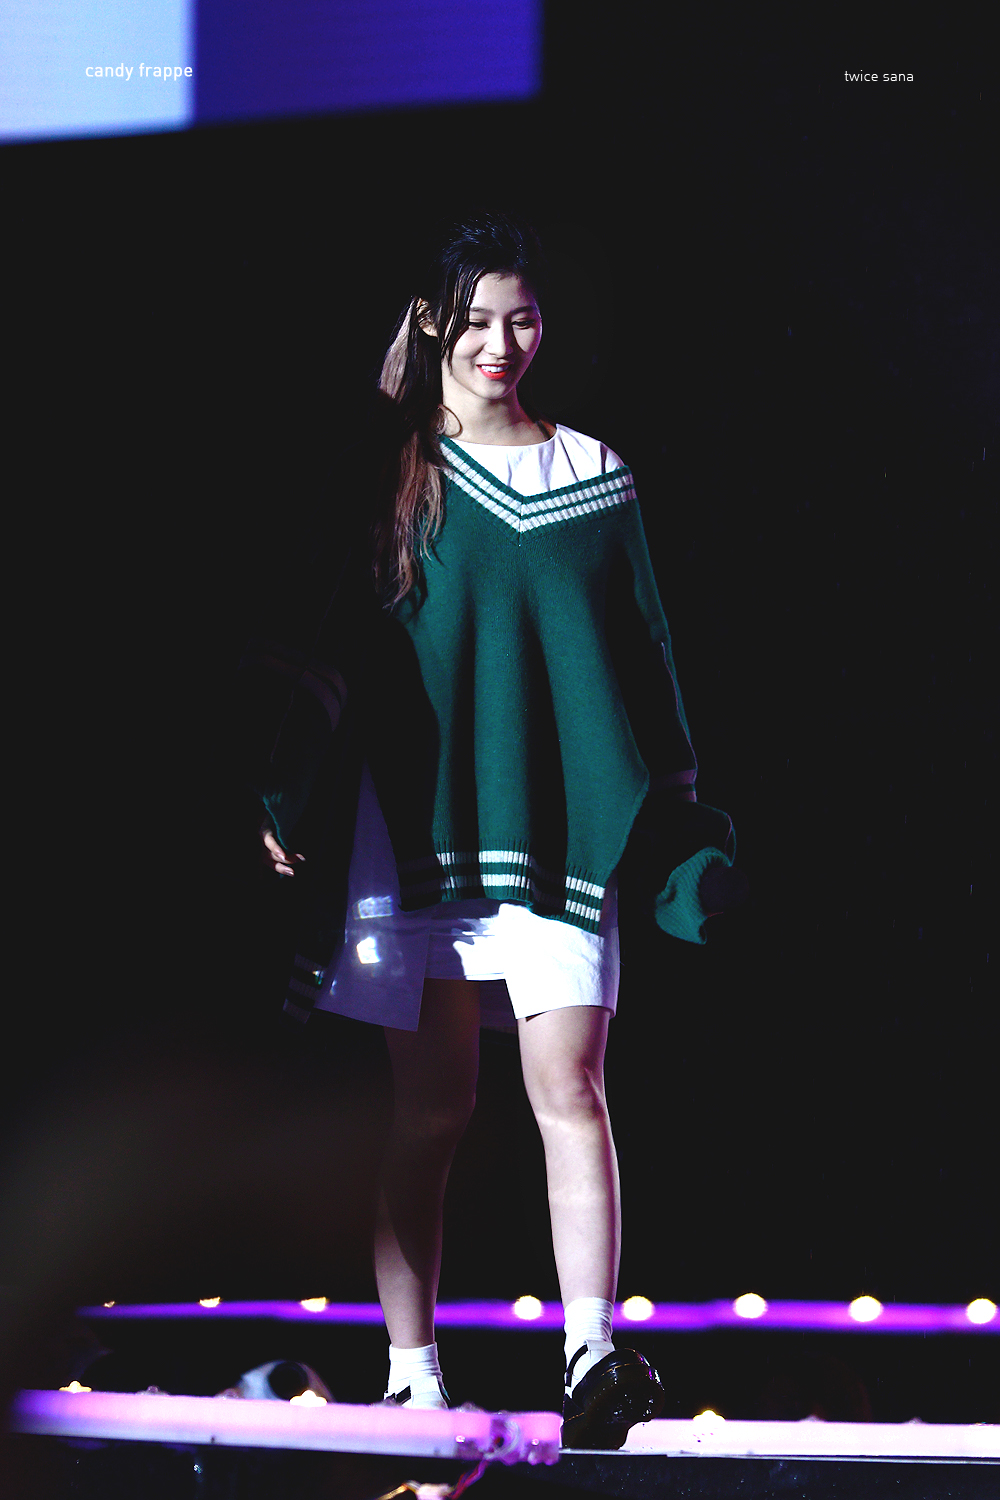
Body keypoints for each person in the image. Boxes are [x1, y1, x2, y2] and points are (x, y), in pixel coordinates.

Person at [252, 210, 744, 1449]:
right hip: (420, 831)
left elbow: (645, 651)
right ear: (431, 323)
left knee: (569, 1089)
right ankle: (409, 1373)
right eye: (474, 320)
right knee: (433, 1114)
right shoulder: (393, 470)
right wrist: (287, 789)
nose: (499, 343)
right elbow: (331, 645)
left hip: (560, 831)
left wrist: (681, 817)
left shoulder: (594, 474)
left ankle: (593, 1358)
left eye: (520, 319)